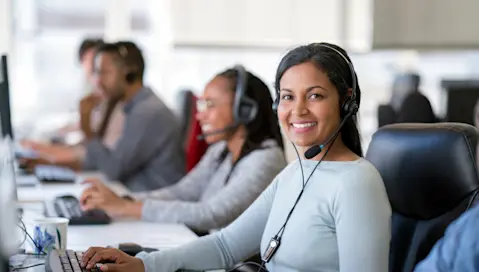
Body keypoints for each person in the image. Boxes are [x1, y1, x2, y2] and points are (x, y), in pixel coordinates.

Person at [80, 42, 391, 272]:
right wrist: (143, 265)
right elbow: (226, 245)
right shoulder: (298, 171)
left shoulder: (357, 182)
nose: (298, 111)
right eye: (287, 97)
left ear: (347, 102)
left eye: (315, 95)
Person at [79, 66, 287, 233]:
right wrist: (122, 200)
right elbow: (183, 192)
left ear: (244, 110)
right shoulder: (221, 150)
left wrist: (127, 208)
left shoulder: (266, 159)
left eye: (210, 105)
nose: (200, 115)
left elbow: (212, 214)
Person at [21, 38, 125, 170]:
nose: (95, 76)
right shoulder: (101, 100)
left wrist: (47, 158)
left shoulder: (121, 108)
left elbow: (98, 159)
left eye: (103, 71)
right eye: (94, 68)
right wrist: (43, 152)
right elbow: (86, 150)